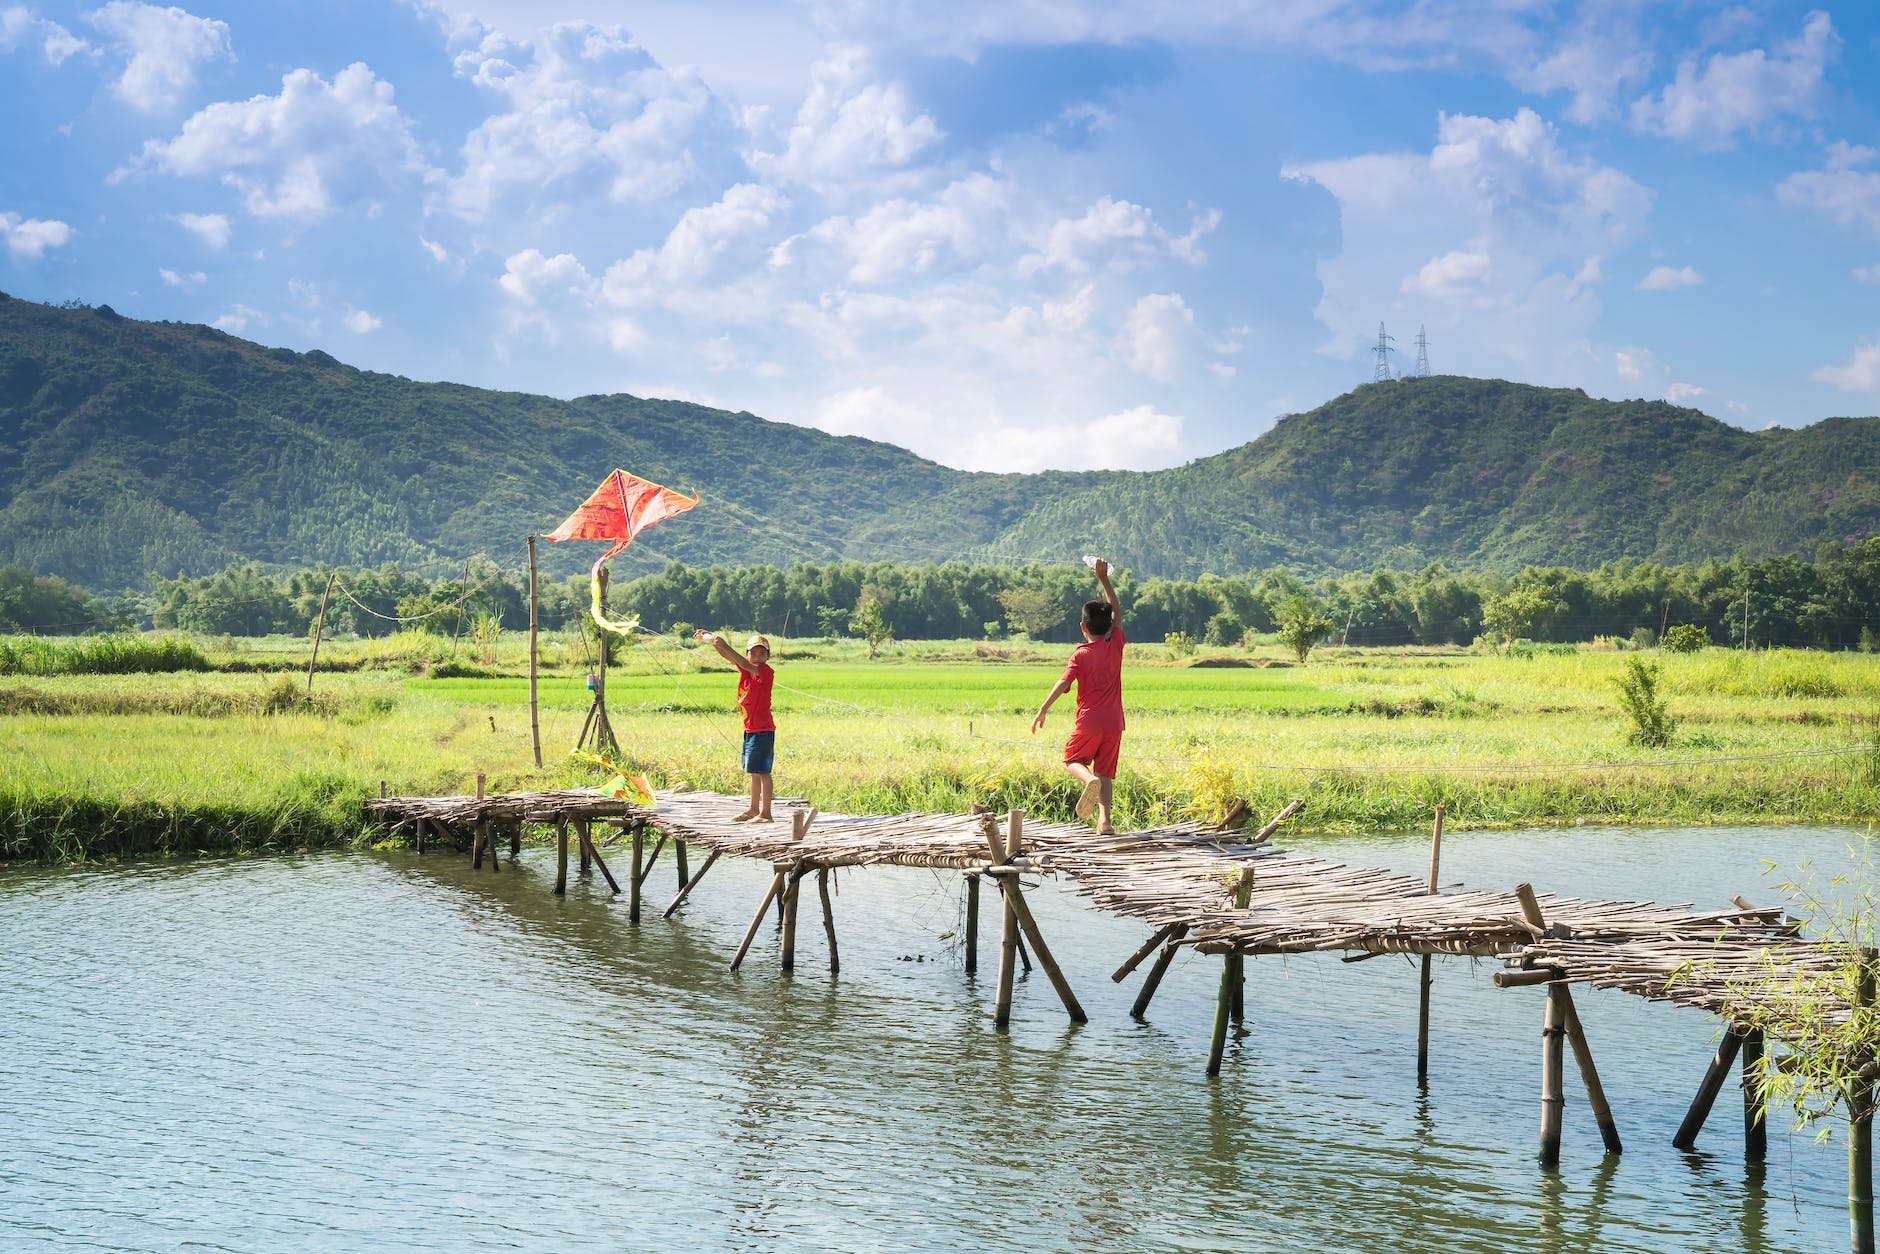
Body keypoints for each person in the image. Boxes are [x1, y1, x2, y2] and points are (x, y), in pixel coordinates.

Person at [1030, 558, 1124, 834]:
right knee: (1106, 772)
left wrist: (1042, 709)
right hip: (1115, 723)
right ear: (1109, 627)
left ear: (1083, 627)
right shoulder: (1115, 643)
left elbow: (1063, 683)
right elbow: (1116, 612)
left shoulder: (1081, 654)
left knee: (1073, 759)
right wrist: (1103, 578)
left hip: (1089, 721)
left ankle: (1087, 781)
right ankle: (1104, 822)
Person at [695, 629, 775, 822]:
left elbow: (737, 658)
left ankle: (766, 813)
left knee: (763, 772)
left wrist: (722, 643)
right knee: (754, 771)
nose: (757, 657)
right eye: (753, 653)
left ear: (767, 657)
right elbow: (731, 658)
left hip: (763, 730)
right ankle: (753, 809)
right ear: (747, 654)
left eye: (762, 654)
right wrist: (714, 642)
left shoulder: (764, 671)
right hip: (750, 729)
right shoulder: (746, 670)